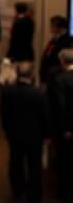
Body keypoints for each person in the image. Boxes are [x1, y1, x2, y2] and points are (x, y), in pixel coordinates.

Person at [0, 62, 50, 203]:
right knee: (34, 165)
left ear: (17, 74)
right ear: (32, 75)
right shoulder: (39, 94)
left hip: (15, 134)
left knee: (15, 162)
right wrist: (47, 134)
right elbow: (45, 116)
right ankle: (34, 194)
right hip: (35, 135)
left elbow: (4, 114)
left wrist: (7, 130)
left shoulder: (8, 92)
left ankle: (17, 190)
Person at [48, 49, 73, 201]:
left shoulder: (60, 80)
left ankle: (65, 194)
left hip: (66, 131)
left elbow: (61, 107)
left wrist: (66, 128)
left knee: (65, 163)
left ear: (62, 61)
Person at [40, 15, 71, 85]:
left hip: (56, 75)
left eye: (52, 26)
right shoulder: (54, 39)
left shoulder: (66, 41)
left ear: (60, 27)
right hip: (48, 74)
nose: (51, 28)